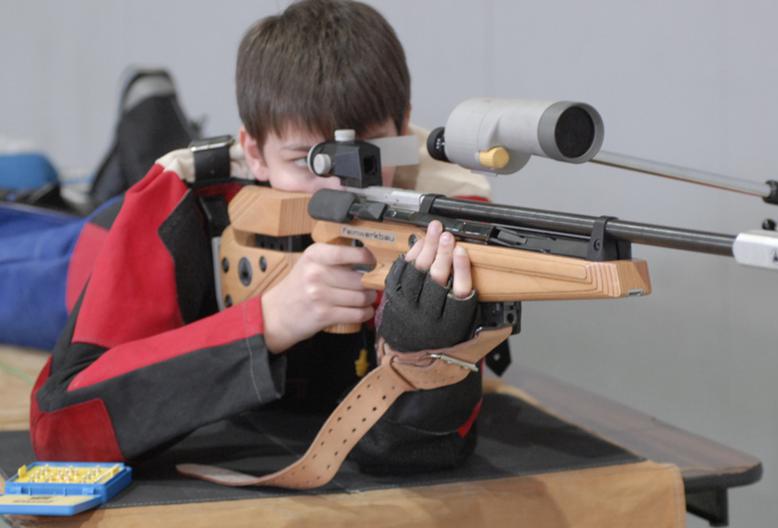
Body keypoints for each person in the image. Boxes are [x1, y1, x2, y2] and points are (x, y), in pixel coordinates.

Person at [30, 0, 491, 475]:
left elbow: (410, 450)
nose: (340, 192)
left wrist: (425, 347)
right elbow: (58, 424)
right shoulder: (180, 199)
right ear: (253, 151)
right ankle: (148, 106)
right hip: (88, 250)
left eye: (368, 157)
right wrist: (266, 322)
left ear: (404, 126)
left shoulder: (443, 209)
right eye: (306, 162)